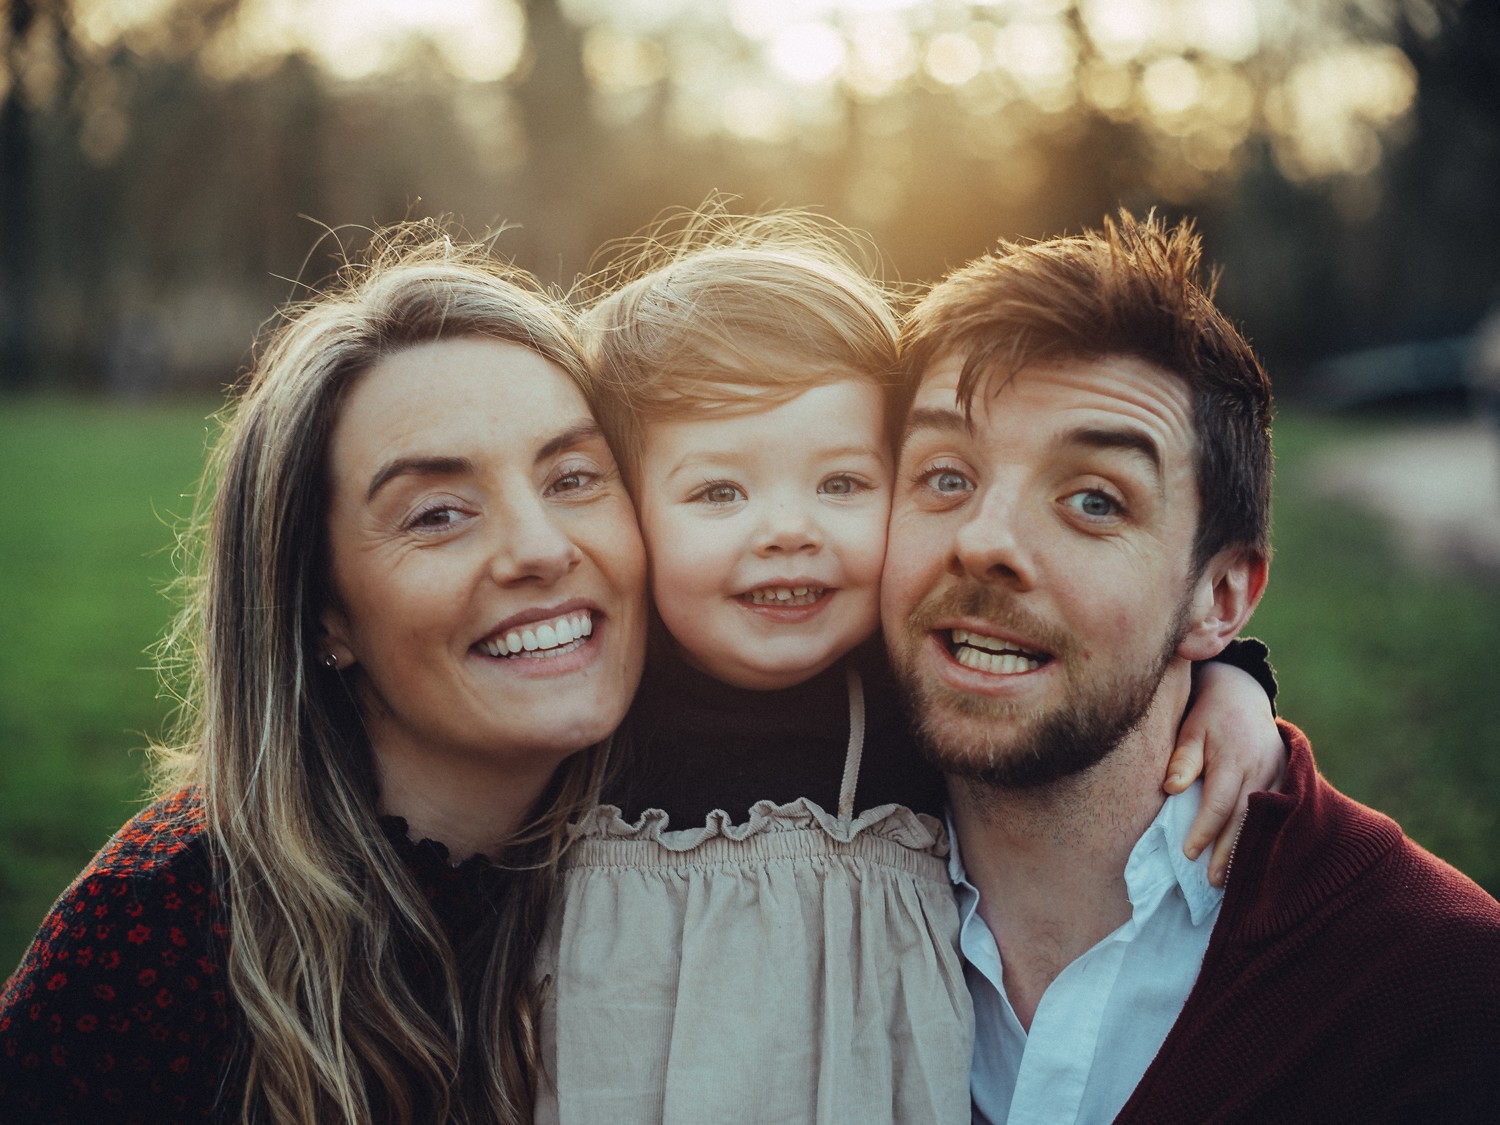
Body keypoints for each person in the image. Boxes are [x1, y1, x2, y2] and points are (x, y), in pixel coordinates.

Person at [536, 210, 1286, 1124]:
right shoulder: (585, 710)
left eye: (844, 483)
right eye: (719, 492)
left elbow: (1074, 677)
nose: (787, 530)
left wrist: (1230, 684)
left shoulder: (900, 694)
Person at [0, 226, 648, 1125]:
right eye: (438, 514)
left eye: (574, 476)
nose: (541, 548)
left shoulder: (730, 851)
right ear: (320, 613)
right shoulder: (156, 940)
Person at [882, 209, 1500, 1123]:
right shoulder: (775, 864)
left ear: (1221, 599)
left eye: (1094, 499)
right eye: (944, 476)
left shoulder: (1438, 992)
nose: (982, 540)